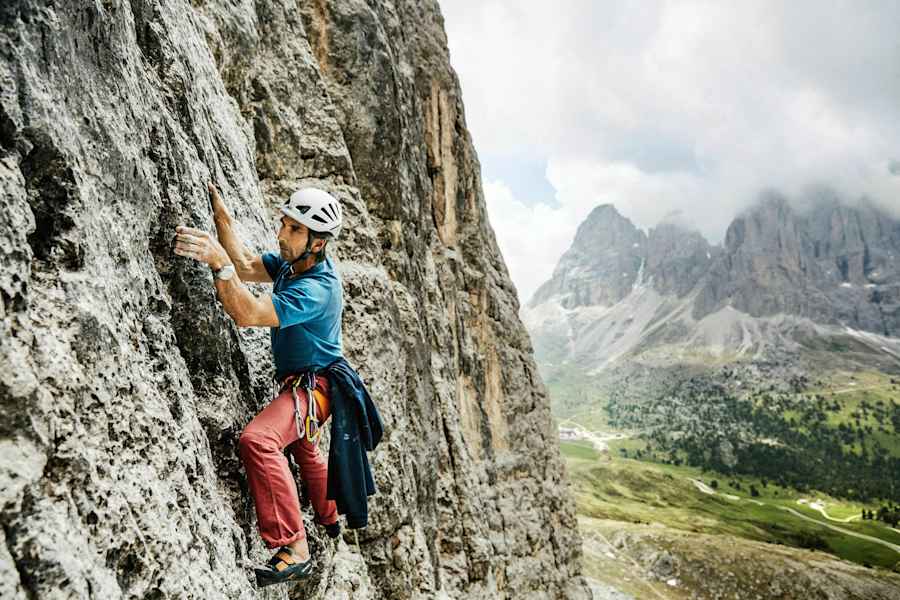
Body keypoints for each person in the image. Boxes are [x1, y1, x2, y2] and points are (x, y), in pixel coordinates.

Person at [173, 182, 344, 587]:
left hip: (314, 387)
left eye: (295, 229)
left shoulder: (316, 289)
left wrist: (219, 264)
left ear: (318, 243)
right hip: (310, 383)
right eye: (284, 223)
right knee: (304, 448)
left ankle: (294, 547)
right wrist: (223, 220)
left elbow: (247, 313)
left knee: (259, 440)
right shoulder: (293, 264)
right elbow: (248, 264)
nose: (282, 234)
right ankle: (330, 517)